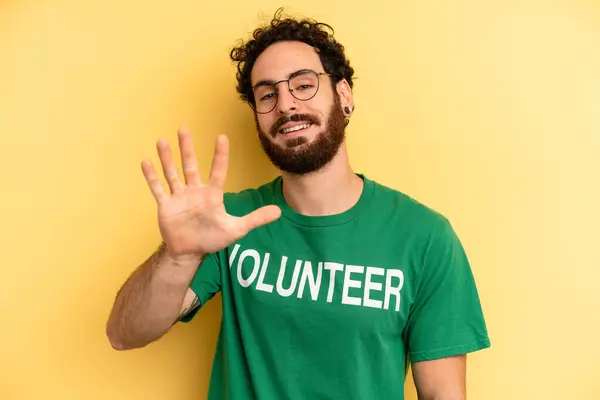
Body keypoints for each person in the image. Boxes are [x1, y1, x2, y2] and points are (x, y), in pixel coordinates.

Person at [106, 9, 490, 400]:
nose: (286, 105)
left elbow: (444, 394)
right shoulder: (228, 222)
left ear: (343, 95)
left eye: (303, 85)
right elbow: (125, 334)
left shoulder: (425, 238)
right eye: (267, 94)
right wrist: (178, 257)